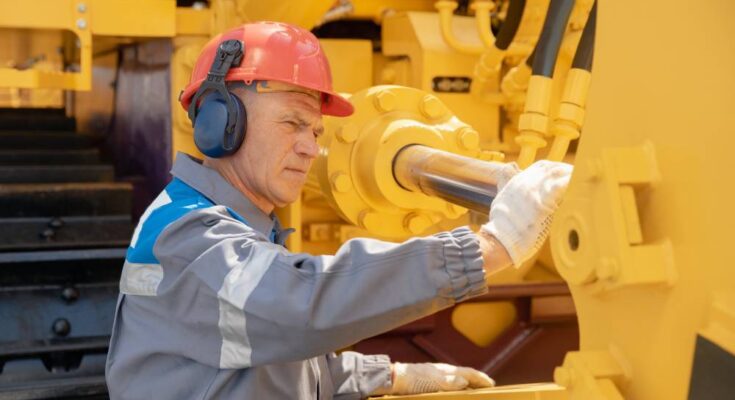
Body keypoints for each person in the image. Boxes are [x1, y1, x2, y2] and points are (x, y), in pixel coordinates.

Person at [105, 22, 572, 399]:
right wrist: (492, 245)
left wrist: (386, 376)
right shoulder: (187, 235)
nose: (310, 148)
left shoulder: (236, 226)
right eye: (293, 123)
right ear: (220, 123)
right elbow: (297, 308)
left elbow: (263, 364)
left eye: (316, 132)